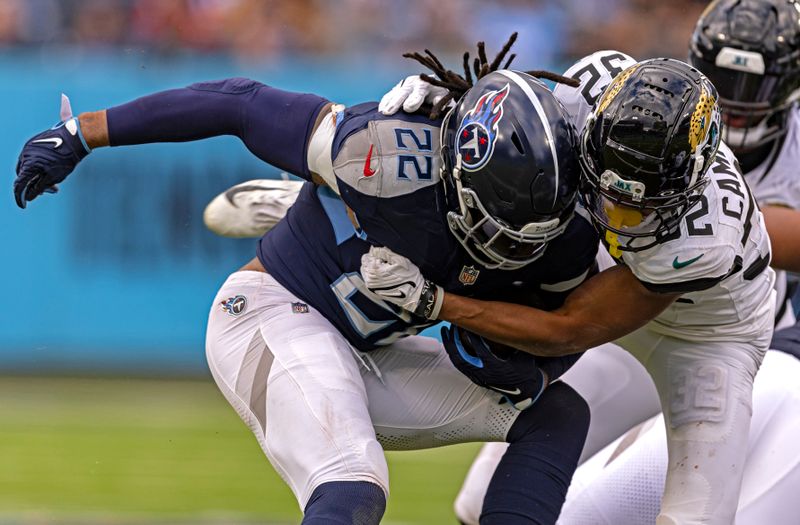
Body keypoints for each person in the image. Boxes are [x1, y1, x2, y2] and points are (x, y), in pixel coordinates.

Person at [14, 37, 599, 525]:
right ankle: (306, 209)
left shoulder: (571, 233)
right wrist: (83, 132)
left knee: (557, 414)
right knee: (352, 487)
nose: (511, 244)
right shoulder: (381, 157)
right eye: (496, 217)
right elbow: (238, 104)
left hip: (370, 347)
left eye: (529, 229)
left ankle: (303, 209)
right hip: (275, 311)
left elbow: (559, 342)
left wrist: (503, 359)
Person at [361, 57, 775, 525]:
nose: (617, 213)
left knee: (693, 517)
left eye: (640, 203)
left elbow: (569, 328)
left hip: (707, 337)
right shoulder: (582, 91)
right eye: (609, 189)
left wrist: (438, 302)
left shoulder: (706, 239)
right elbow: (504, 119)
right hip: (615, 279)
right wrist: (453, 106)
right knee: (479, 501)